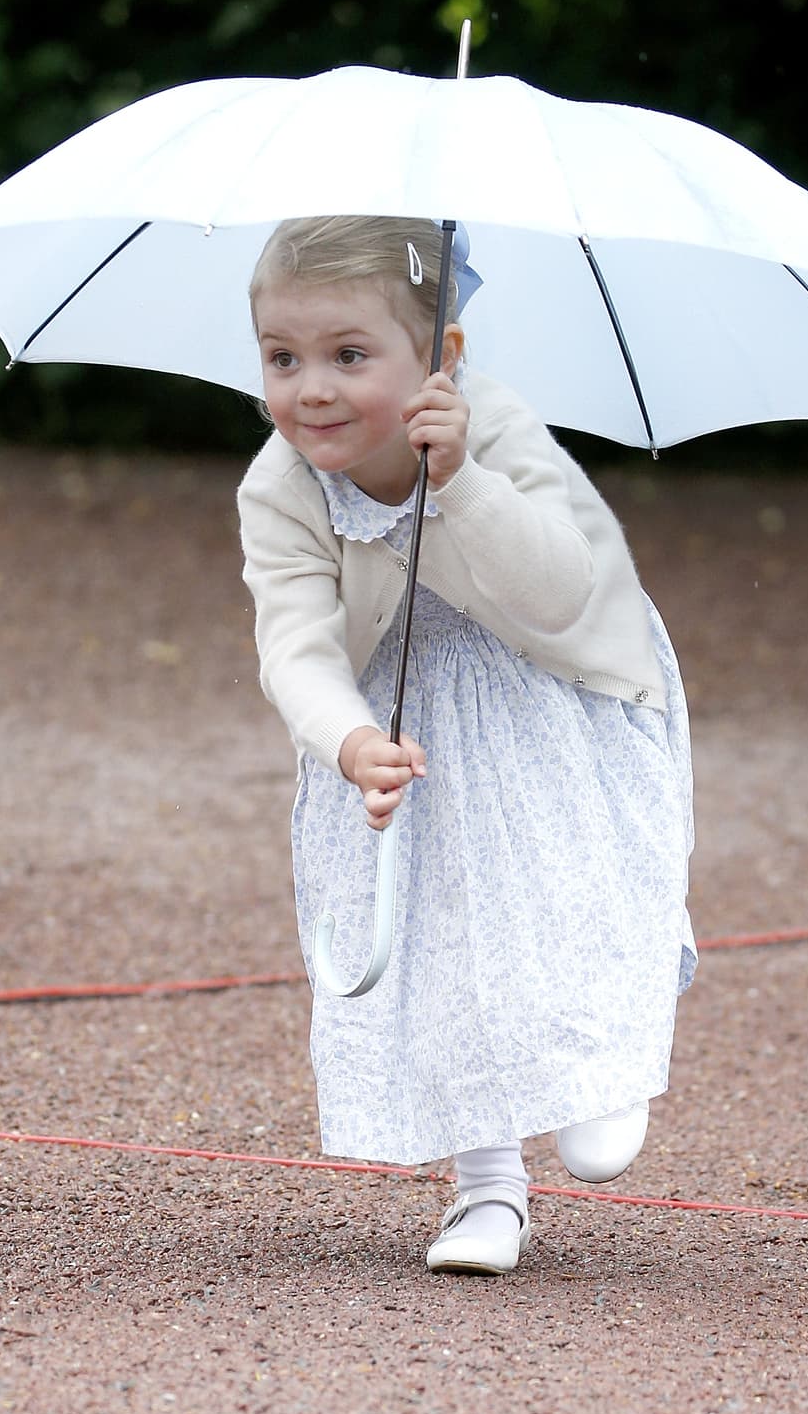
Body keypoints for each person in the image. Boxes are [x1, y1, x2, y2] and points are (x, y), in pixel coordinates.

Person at [237, 214, 696, 1276]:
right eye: (281, 358)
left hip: (551, 680)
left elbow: (555, 586)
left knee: (555, 877)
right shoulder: (280, 484)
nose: (311, 388)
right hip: (406, 713)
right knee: (440, 927)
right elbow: (293, 645)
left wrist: (463, 483)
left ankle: (599, 1059)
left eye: (349, 357)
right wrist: (349, 739)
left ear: (438, 356)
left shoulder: (492, 424)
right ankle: (486, 1188)